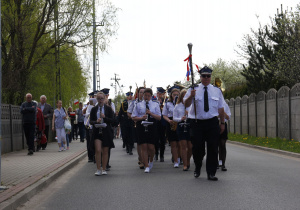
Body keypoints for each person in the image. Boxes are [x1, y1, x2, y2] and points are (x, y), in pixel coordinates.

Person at [184, 66, 225, 181]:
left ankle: (211, 172)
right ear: (200, 77)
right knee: (198, 149)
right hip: (197, 123)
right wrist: (191, 97)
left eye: (208, 76)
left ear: (211, 77)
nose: (206, 78)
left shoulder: (216, 90)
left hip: (212, 122)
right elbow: (186, 105)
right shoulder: (193, 89)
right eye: (204, 76)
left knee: (213, 148)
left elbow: (221, 108)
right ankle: (197, 166)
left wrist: (222, 123)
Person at [132, 88, 161, 173]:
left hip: (152, 125)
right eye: (145, 95)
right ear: (143, 95)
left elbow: (159, 117)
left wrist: (151, 113)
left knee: (151, 147)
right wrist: (141, 117)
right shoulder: (138, 104)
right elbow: (133, 117)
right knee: (144, 146)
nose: (146, 97)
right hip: (141, 125)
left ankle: (151, 160)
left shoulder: (155, 104)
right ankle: (146, 165)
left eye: (148, 96)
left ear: (151, 96)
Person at [90, 92, 115, 176]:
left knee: (105, 151)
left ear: (104, 99)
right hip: (97, 131)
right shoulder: (94, 109)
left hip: (106, 131)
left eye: (102, 98)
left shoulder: (108, 109)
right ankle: (98, 169)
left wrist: (105, 118)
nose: (100, 100)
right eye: (98, 99)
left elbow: (112, 120)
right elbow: (91, 121)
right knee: (98, 150)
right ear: (96, 100)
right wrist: (95, 121)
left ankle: (104, 168)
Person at [173, 89, 193, 171]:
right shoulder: (177, 106)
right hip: (181, 126)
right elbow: (174, 118)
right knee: (183, 146)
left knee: (190, 146)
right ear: (181, 97)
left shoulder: (191, 105)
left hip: (189, 126)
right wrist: (180, 118)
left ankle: (188, 160)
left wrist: (189, 115)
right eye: (183, 96)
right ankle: (185, 164)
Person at [127, 87, 145, 169]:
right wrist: (134, 119)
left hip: (147, 123)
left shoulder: (148, 102)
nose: (142, 94)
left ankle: (145, 158)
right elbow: (129, 113)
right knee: (139, 142)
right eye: (141, 92)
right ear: (138, 93)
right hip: (137, 123)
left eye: (144, 92)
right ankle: (141, 159)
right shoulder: (134, 102)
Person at [163, 87, 181, 168]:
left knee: (180, 143)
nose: (176, 96)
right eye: (174, 95)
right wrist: (169, 121)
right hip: (171, 122)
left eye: (177, 95)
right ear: (171, 95)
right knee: (173, 143)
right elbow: (164, 115)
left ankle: (179, 157)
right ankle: (175, 160)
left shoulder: (182, 103)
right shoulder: (167, 104)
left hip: (179, 122)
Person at [218, 101, 231, 171]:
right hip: (214, 124)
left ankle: (223, 163)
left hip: (223, 123)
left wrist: (222, 112)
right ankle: (216, 162)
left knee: (222, 144)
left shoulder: (225, 105)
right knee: (214, 144)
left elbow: (228, 117)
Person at [155, 87, 167, 162]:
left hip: (163, 122)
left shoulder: (165, 101)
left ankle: (162, 155)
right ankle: (156, 153)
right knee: (156, 139)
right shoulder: (154, 101)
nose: (159, 95)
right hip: (156, 121)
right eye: (158, 93)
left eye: (160, 93)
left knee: (162, 139)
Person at [84, 98, 97, 162]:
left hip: (94, 126)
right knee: (89, 142)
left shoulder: (97, 105)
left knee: (94, 141)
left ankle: (95, 155)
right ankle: (90, 156)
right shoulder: (88, 106)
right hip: (88, 126)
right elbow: (85, 114)